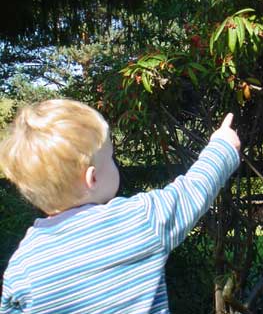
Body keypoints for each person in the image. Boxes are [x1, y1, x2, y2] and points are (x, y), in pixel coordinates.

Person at [0, 99, 240, 313]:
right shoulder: (139, 219)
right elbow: (193, 190)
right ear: (91, 179)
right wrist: (223, 146)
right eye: (110, 157)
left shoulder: (23, 267)